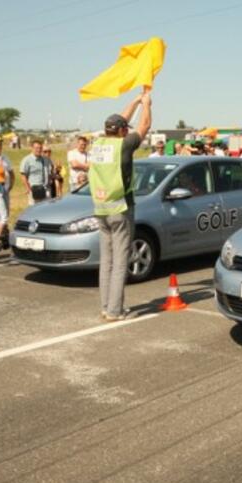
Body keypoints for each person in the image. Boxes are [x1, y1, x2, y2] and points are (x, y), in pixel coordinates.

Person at [89, 86, 152, 321]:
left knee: (106, 260)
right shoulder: (124, 145)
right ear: (123, 131)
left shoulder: (98, 145)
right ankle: (116, 311)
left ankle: (106, 306)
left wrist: (135, 100)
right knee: (120, 262)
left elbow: (119, 122)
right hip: (121, 209)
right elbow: (144, 126)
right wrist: (146, 104)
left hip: (101, 208)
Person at [20, 140, 51, 204]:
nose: (39, 150)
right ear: (32, 148)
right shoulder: (27, 160)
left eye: (40, 148)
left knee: (46, 210)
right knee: (35, 210)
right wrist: (28, 189)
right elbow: (23, 176)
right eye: (36, 148)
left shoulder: (45, 159)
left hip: (45, 189)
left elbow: (49, 172)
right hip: (34, 190)